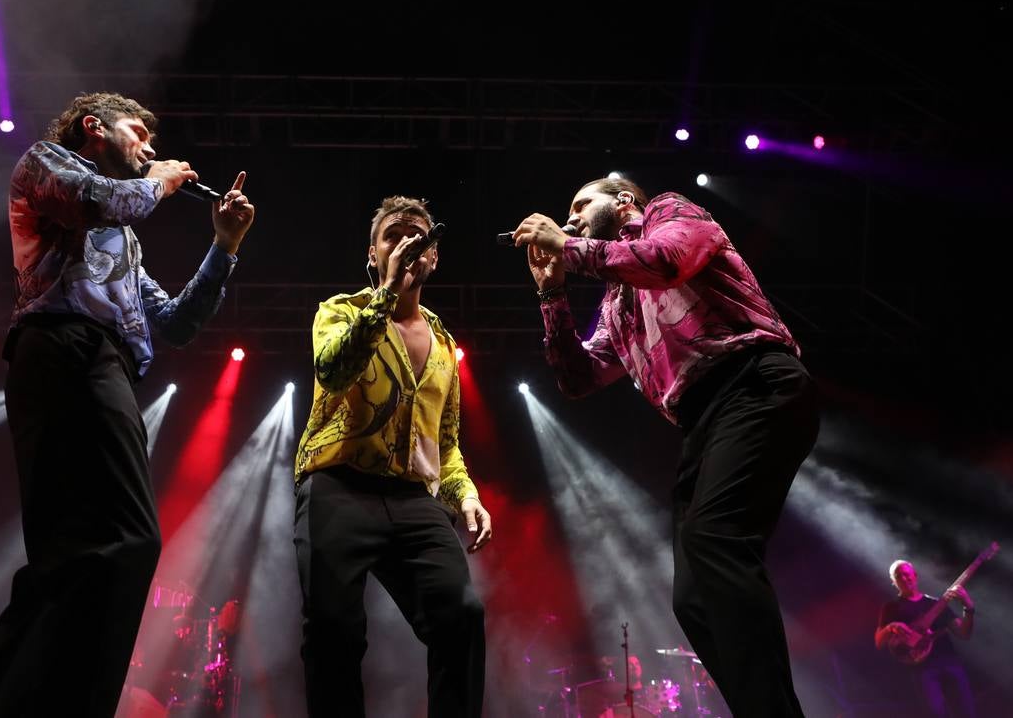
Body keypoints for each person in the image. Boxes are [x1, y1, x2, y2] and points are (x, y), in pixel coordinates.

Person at [0, 92, 255, 717]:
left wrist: (224, 245)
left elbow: (178, 323)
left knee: (65, 567)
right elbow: (95, 199)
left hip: (95, 365)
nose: (151, 149)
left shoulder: (124, 244)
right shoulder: (45, 164)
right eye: (140, 134)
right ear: (94, 128)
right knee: (127, 541)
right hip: (65, 349)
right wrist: (160, 184)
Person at [512, 176, 818, 718]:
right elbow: (577, 378)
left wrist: (569, 247)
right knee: (694, 598)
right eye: (569, 212)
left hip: (754, 381)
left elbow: (666, 261)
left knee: (715, 539)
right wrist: (551, 290)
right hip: (703, 419)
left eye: (582, 204)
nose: (573, 217)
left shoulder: (667, 212)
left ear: (623, 201)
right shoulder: (615, 305)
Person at [293, 196, 492, 717]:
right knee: (334, 632)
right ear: (373, 253)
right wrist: (384, 297)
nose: (407, 246)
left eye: (418, 237)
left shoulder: (446, 343)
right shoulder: (341, 310)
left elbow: (443, 442)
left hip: (413, 498)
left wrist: (465, 494)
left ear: (434, 257)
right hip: (338, 485)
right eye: (393, 237)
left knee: (461, 616)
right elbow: (333, 371)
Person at [874, 560, 977, 717]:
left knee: (966, 710)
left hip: (949, 661)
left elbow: (963, 633)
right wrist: (891, 627)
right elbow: (879, 641)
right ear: (894, 582)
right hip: (922, 671)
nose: (904, 577)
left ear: (915, 576)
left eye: (906, 573)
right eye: (898, 575)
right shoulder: (891, 608)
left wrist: (968, 608)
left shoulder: (935, 603)